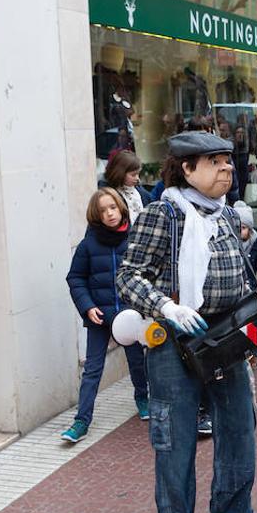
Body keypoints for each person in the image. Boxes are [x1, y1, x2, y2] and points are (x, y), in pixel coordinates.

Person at [116, 131, 257, 513]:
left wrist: (254, 331)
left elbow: (239, 275)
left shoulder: (226, 213)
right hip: (173, 343)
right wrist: (167, 308)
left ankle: (231, 512)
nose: (227, 169)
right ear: (186, 168)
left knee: (238, 428)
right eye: (215, 161)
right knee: (175, 441)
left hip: (228, 339)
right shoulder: (163, 214)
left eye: (228, 161)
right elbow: (127, 277)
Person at [63, 189, 149, 443]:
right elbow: (75, 278)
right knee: (92, 369)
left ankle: (142, 397)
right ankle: (81, 421)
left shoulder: (135, 240)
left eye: (112, 207)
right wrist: (87, 306)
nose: (109, 213)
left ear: (121, 207)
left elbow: (146, 273)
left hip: (129, 316)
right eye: (103, 210)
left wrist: (139, 305)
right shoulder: (88, 245)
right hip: (99, 316)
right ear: (96, 215)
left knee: (136, 361)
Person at [101, 150, 152, 224]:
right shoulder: (106, 195)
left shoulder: (143, 194)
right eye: (133, 175)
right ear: (120, 173)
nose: (137, 178)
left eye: (138, 174)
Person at [233, 200, 257, 277]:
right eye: (237, 227)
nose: (240, 231)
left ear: (250, 229)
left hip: (251, 284)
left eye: (243, 228)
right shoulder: (231, 242)